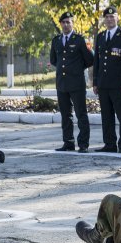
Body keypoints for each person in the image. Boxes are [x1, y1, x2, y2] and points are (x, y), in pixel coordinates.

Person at [50, 12, 94, 153]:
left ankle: (83, 144)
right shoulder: (56, 40)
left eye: (68, 22)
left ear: (72, 23)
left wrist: (76, 68)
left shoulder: (80, 40)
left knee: (81, 114)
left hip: (77, 83)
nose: (66, 25)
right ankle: (68, 142)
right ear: (60, 24)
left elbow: (90, 59)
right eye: (63, 22)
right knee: (65, 114)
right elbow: (53, 60)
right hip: (62, 83)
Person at [93, 6, 121, 153]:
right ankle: (109, 144)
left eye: (112, 17)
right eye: (107, 17)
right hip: (103, 84)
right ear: (104, 19)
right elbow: (97, 61)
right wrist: (95, 82)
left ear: (117, 18)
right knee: (106, 116)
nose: (109, 19)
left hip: (118, 85)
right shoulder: (101, 36)